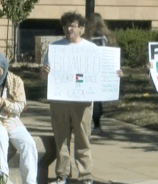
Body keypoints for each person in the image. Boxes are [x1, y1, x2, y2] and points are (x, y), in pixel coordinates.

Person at [41, 11, 123, 184]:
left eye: (73, 26)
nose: (69, 29)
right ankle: (62, 175)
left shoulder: (91, 49)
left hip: (83, 101)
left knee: (83, 139)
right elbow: (43, 76)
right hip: (60, 101)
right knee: (61, 139)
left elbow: (101, 72)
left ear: (81, 29)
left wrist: (115, 74)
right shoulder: (55, 48)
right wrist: (44, 72)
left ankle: (85, 176)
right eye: (66, 26)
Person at [0, 52, 38, 184]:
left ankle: (30, 181)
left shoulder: (16, 81)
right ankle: (1, 177)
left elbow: (20, 106)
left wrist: (3, 103)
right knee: (1, 135)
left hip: (11, 119)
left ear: (4, 67)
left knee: (29, 143)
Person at [84, 13, 116, 136]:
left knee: (88, 98)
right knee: (97, 99)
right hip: (103, 71)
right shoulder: (107, 37)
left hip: (89, 70)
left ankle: (85, 124)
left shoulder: (87, 37)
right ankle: (97, 125)